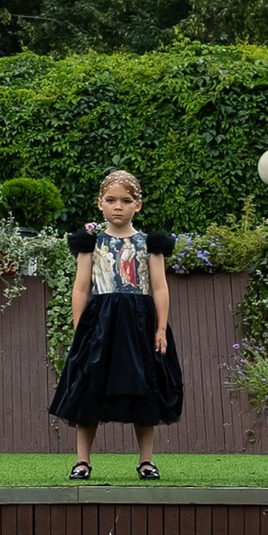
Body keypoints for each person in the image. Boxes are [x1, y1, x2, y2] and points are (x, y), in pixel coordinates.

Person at [49, 169, 182, 481]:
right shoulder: (90, 245)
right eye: (111, 200)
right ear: (100, 204)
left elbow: (160, 288)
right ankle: (82, 461)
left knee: (146, 387)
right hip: (100, 324)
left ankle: (146, 461)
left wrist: (160, 328)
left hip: (140, 324)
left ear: (138, 205)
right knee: (87, 386)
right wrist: (80, 328)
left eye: (126, 200)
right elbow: (81, 288)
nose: (118, 206)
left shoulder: (150, 244)